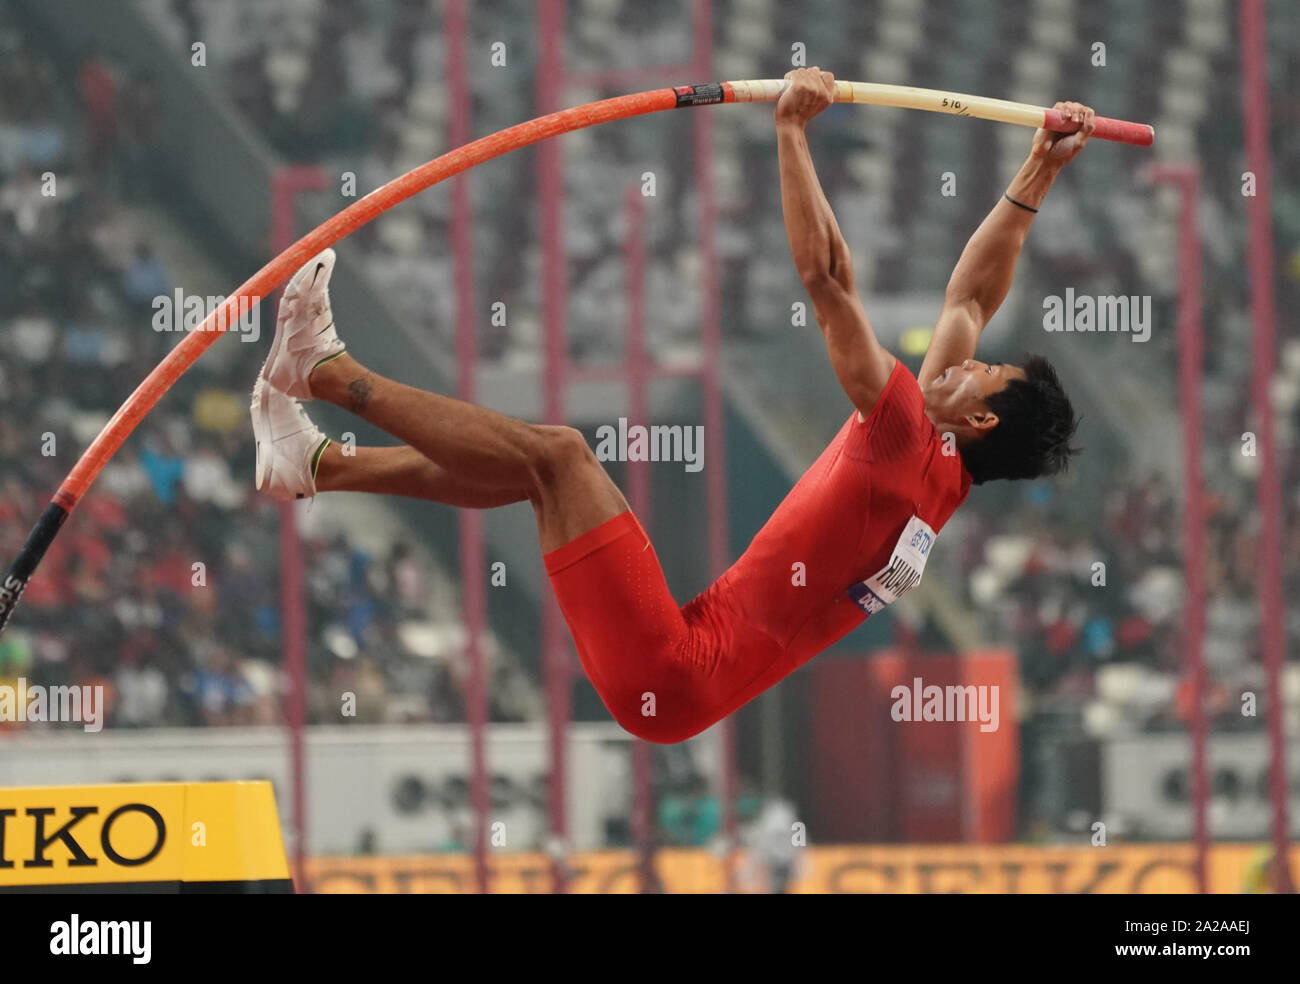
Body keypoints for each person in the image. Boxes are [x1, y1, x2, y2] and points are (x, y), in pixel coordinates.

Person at [249, 68, 1084, 745]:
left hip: (677, 667)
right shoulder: (940, 474)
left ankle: (326, 372)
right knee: (538, 477)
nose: (967, 359)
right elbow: (972, 298)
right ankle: (317, 465)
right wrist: (1040, 167)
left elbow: (827, 279)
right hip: (683, 683)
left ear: (979, 420)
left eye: (984, 372)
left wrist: (791, 132)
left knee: (560, 455)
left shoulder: (907, 439)